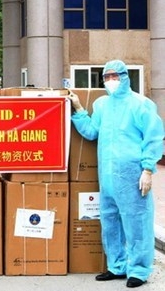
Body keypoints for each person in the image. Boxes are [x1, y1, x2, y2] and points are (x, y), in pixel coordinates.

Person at [68, 60, 164, 288]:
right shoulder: (102, 105)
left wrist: (148, 170)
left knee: (136, 222)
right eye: (106, 77)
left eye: (114, 76)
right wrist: (79, 108)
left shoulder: (141, 104)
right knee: (110, 221)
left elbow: (154, 138)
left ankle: (139, 271)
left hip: (133, 176)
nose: (110, 80)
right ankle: (117, 266)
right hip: (108, 176)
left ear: (125, 76)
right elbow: (92, 132)